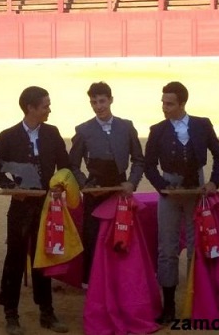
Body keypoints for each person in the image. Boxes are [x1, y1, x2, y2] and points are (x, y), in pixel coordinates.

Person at [0, 86, 70, 335]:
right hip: (21, 206)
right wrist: (12, 187)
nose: (49, 109)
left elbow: (64, 167)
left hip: (47, 205)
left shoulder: (52, 133)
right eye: (45, 105)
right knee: (15, 258)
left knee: (43, 258)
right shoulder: (9, 136)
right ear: (30, 108)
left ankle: (47, 312)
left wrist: (59, 186)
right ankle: (10, 314)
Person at [144, 81, 219, 325]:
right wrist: (162, 186)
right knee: (167, 248)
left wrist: (213, 183)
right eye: (163, 102)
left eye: (169, 104)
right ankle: (168, 305)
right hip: (170, 191)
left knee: (196, 247)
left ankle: (195, 300)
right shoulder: (157, 130)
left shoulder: (202, 125)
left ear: (182, 104)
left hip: (196, 190)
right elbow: (149, 165)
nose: (164, 108)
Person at [68, 81, 145, 285]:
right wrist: (86, 185)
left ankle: (121, 279)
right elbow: (72, 164)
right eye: (94, 102)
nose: (98, 106)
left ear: (111, 100)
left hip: (120, 190)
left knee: (121, 234)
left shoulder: (126, 126)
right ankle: (92, 282)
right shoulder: (83, 130)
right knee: (93, 236)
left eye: (102, 101)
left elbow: (139, 159)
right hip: (95, 191)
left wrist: (131, 183)